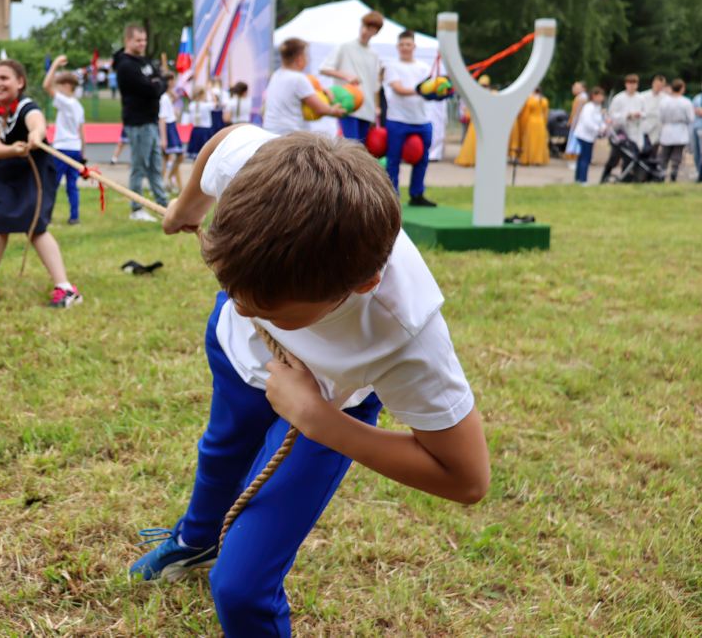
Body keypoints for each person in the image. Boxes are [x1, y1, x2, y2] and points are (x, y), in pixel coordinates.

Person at [130, 124, 490, 636]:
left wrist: (316, 418)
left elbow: (467, 478)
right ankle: (197, 540)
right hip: (236, 358)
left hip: (326, 406)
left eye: (269, 308)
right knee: (220, 451)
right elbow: (226, 139)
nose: (240, 306)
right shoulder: (261, 170)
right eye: (232, 287)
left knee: (240, 587)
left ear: (362, 285)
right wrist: (186, 208)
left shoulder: (403, 331)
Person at [0, 59, 81, 309]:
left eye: (4, 78)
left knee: (36, 225)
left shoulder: (27, 106)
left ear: (20, 82)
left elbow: (37, 123)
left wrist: (35, 136)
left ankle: (65, 288)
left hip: (32, 171)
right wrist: (13, 149)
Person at [114, 24, 168, 222]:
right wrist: (157, 84)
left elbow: (161, 82)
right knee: (139, 166)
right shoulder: (126, 66)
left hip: (151, 120)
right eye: (138, 40)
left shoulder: (145, 61)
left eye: (144, 40)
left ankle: (163, 205)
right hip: (138, 122)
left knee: (155, 165)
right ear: (128, 40)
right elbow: (151, 89)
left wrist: (158, 83)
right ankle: (136, 208)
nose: (142, 44)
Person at [384, 31, 435, 206]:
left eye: (408, 44)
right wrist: (422, 90)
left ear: (414, 46)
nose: (405, 48)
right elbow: (399, 89)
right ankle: (391, 197)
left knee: (422, 160)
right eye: (402, 44)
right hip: (397, 120)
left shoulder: (424, 67)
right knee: (393, 160)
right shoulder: (392, 66)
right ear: (398, 47)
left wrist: (439, 92)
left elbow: (430, 91)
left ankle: (417, 195)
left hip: (422, 120)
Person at [319, 10, 383, 142]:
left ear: (376, 32)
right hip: (348, 105)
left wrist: (376, 108)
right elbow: (324, 69)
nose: (365, 31)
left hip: (367, 109)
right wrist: (346, 76)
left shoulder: (374, 55)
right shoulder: (345, 47)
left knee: (359, 148)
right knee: (351, 146)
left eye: (370, 29)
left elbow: (375, 86)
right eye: (364, 26)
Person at [263, 38, 344, 135]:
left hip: (270, 130)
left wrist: (323, 91)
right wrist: (334, 110)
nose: (308, 59)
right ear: (299, 59)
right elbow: (320, 108)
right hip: (288, 134)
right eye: (306, 55)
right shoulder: (298, 78)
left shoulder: (276, 74)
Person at [42, 54, 85, 226]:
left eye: (59, 85)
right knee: (72, 185)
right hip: (75, 149)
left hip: (62, 149)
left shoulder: (65, 102)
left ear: (67, 86)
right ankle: (74, 216)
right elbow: (82, 132)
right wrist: (82, 154)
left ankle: (46, 216)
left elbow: (46, 85)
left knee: (52, 184)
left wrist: (55, 64)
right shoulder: (78, 106)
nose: (57, 89)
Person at [601, 74, 645, 183]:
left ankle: (625, 181)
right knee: (614, 157)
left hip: (634, 132)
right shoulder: (619, 98)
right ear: (626, 84)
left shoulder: (641, 98)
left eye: (634, 83)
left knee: (629, 159)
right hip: (620, 134)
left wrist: (638, 115)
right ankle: (604, 178)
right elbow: (612, 115)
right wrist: (626, 116)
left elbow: (645, 113)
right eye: (630, 83)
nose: (632, 86)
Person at [656, 78, 694, 183]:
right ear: (681, 88)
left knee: (664, 155)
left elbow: (660, 117)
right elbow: (691, 118)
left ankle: (661, 174)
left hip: (667, 130)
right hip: (680, 131)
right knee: (677, 156)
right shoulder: (686, 102)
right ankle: (673, 174)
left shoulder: (664, 101)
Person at [453, 75, 491, 167]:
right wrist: (465, 115)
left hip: (479, 122)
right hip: (474, 122)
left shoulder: (486, 95)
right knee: (469, 139)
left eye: (485, 85)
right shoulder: (478, 95)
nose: (484, 87)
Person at [573, 86, 607, 185]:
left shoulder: (598, 107)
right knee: (585, 158)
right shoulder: (589, 107)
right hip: (584, 136)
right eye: (600, 96)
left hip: (590, 136)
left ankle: (578, 179)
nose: (602, 98)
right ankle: (582, 180)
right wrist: (598, 129)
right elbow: (587, 122)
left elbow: (600, 120)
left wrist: (603, 127)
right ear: (594, 96)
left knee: (583, 157)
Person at [159, 74, 185, 193]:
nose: (174, 82)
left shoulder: (166, 96)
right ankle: (167, 179)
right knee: (179, 156)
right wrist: (164, 138)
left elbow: (175, 98)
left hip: (172, 126)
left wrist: (171, 92)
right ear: (168, 82)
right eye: (172, 80)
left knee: (166, 159)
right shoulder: (164, 98)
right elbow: (162, 119)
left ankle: (166, 182)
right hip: (168, 128)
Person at [517, 88, 550, 166]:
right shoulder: (544, 100)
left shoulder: (530, 100)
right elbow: (546, 114)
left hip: (531, 122)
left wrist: (522, 124)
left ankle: (528, 159)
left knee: (530, 140)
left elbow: (525, 114)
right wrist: (544, 123)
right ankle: (538, 160)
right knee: (539, 141)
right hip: (541, 122)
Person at [640, 75, 667, 162]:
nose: (659, 88)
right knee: (643, 151)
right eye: (657, 85)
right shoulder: (643, 96)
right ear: (653, 84)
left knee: (654, 151)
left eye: (661, 86)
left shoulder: (665, 98)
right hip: (645, 127)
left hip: (657, 128)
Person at [185, 86, 214, 162]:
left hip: (195, 131)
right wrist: (211, 93)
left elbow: (189, 120)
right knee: (206, 156)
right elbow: (215, 104)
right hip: (205, 131)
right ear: (202, 95)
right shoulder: (207, 105)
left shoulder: (191, 105)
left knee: (195, 156)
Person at [563, 81, 588, 169]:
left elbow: (577, 112)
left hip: (578, 124)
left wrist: (573, 122)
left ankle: (573, 161)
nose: (574, 89)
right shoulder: (581, 97)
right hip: (577, 123)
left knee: (574, 142)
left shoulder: (581, 98)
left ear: (583, 88)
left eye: (577, 88)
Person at [691, 85, 702, 182]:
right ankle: (699, 172)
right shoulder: (697, 98)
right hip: (696, 127)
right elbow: (692, 110)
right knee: (696, 152)